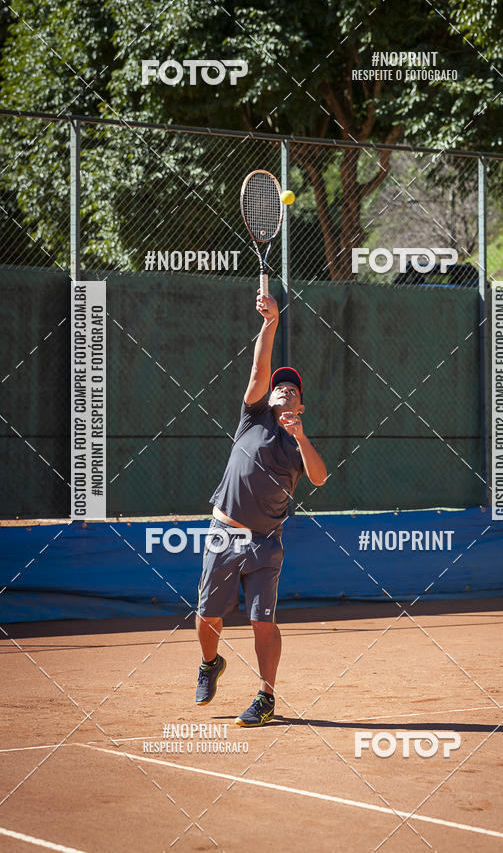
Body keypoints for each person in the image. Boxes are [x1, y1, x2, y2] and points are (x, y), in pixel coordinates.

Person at [195, 289, 327, 726]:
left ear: (299, 404)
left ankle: (266, 696)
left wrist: (302, 436)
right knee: (207, 617)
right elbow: (259, 368)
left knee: (261, 623)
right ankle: (210, 664)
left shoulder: (296, 445)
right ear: (267, 397)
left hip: (266, 542)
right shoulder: (252, 417)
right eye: (278, 387)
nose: (283, 390)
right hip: (224, 530)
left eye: (292, 389)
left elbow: (320, 477)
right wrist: (270, 323)